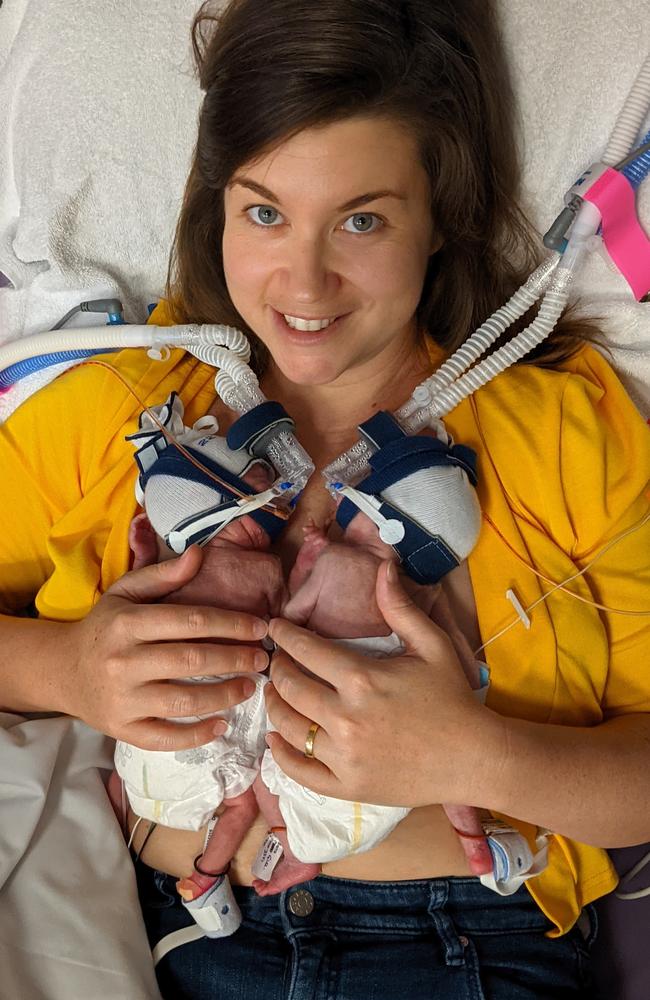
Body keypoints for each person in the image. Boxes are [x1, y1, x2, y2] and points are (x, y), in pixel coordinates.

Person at [1, 0, 649, 997]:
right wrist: (69, 668)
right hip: (155, 939)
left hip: (456, 944)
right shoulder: (116, 411)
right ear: (214, 205)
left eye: (361, 219)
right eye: (264, 212)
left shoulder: (561, 438)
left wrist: (479, 757)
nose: (302, 278)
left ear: (439, 218)